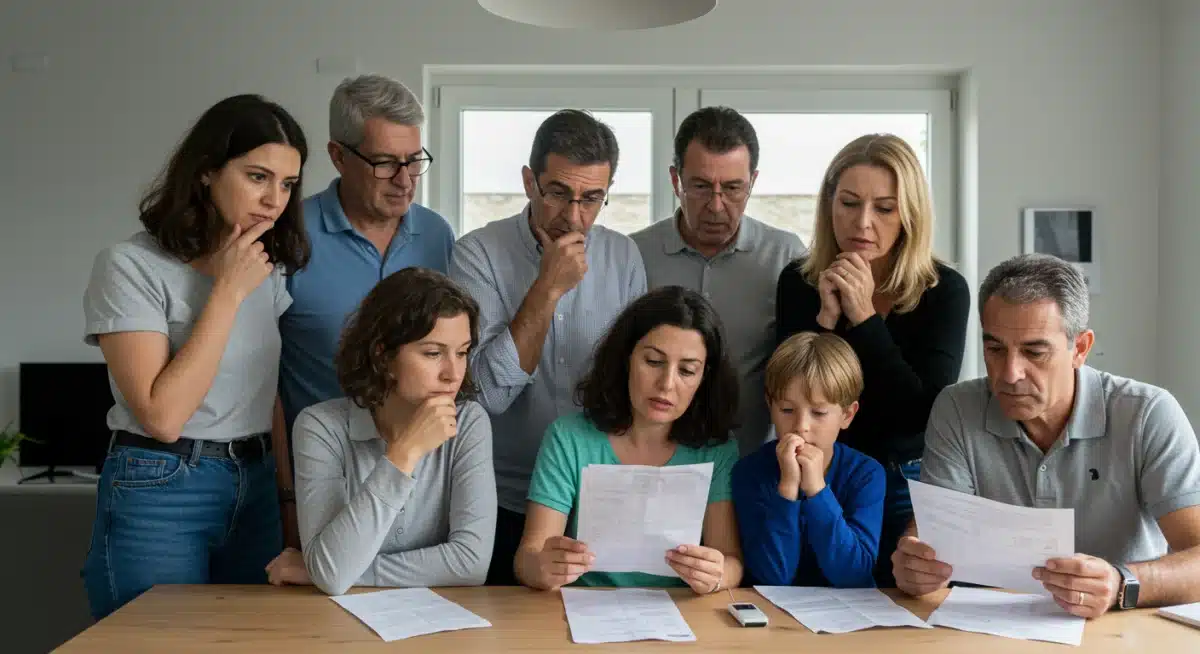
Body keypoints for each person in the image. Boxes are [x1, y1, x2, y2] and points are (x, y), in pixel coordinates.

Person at [80, 94, 310, 619]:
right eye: (258, 177)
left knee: (254, 641)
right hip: (161, 484)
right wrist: (226, 293)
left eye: (288, 184)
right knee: (156, 641)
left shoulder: (266, 268)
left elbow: (265, 393)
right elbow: (162, 417)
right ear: (207, 170)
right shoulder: (129, 266)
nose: (274, 199)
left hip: (256, 483)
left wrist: (286, 498)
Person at [893, 254, 1200, 618]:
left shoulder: (1147, 413)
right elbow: (934, 534)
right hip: (992, 627)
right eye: (995, 349)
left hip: (1121, 626)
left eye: (1034, 352)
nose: (1010, 374)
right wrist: (916, 562)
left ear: (1080, 349)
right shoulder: (957, 408)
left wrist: (1121, 583)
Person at [449, 109, 647, 585]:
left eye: (592, 198)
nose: (574, 217)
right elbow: (487, 395)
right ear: (529, 182)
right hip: (500, 497)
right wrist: (548, 288)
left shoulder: (623, 256)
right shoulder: (476, 254)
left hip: (597, 497)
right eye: (558, 193)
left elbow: (635, 391)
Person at [775, 133, 970, 586]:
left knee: (907, 598)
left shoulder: (944, 291)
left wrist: (863, 317)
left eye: (884, 208)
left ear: (909, 215)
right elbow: (792, 396)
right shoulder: (799, 281)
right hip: (823, 468)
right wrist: (826, 326)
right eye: (849, 203)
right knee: (802, 595)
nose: (862, 222)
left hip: (907, 479)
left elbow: (920, 415)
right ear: (829, 204)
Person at [277, 74, 455, 546]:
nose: (405, 180)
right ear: (338, 156)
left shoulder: (437, 235)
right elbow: (262, 380)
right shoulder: (288, 235)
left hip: (418, 484)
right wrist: (286, 495)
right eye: (384, 163)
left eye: (414, 161)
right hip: (318, 482)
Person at [264, 268, 496, 595]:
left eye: (462, 352)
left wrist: (323, 571)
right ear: (382, 356)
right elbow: (332, 574)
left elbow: (471, 564)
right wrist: (404, 454)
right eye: (433, 353)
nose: (453, 373)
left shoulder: (470, 422)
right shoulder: (319, 427)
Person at [515, 286, 743, 592]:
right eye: (653, 362)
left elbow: (731, 563)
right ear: (626, 358)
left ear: (705, 378)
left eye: (687, 371)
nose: (667, 384)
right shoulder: (569, 437)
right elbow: (527, 558)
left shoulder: (716, 449)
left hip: (682, 609)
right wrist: (542, 567)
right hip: (581, 605)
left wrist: (716, 575)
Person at [631, 106, 805, 456]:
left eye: (732, 188)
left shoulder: (786, 257)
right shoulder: (634, 254)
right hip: (653, 463)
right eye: (700, 186)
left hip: (753, 463)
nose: (716, 205)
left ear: (752, 182)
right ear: (675, 180)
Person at [732, 331, 885, 588]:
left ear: (847, 415)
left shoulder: (866, 475)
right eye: (787, 410)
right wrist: (787, 488)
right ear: (770, 406)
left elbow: (853, 576)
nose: (801, 426)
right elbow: (773, 577)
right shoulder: (749, 472)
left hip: (848, 610)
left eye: (819, 413)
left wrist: (817, 491)